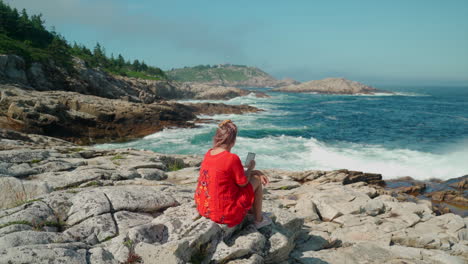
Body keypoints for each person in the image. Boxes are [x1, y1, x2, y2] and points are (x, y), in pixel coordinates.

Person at [194, 119, 272, 229]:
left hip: (205, 208)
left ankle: (252, 212)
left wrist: (254, 171)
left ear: (217, 138)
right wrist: (251, 168)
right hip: (224, 213)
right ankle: (258, 220)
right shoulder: (232, 158)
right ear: (233, 141)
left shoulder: (209, 153)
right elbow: (243, 183)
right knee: (257, 179)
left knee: (254, 176)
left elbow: (229, 177)